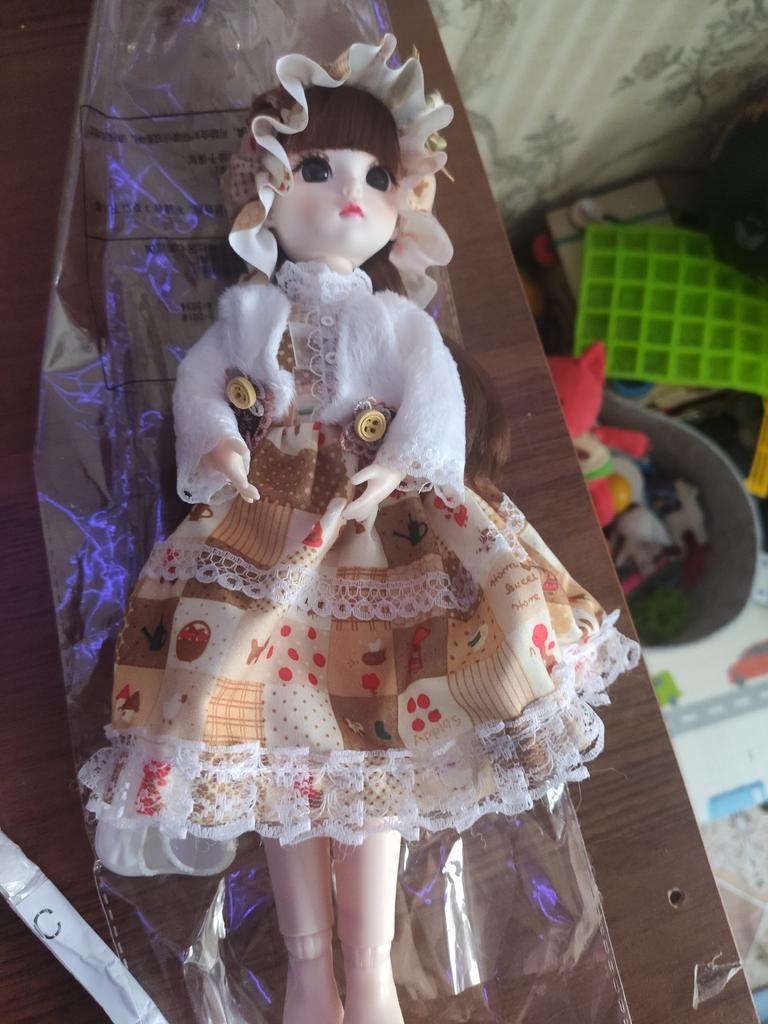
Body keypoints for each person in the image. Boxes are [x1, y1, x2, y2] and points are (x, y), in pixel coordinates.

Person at [79, 35, 639, 1024]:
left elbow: (433, 399)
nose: (349, 194)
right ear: (264, 187)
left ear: (401, 202)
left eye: (376, 176)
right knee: (281, 747)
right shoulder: (248, 312)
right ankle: (309, 970)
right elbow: (204, 387)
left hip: (384, 529)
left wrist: (406, 466)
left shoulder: (394, 320)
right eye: (317, 169)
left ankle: (369, 970)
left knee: (375, 745)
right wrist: (220, 449)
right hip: (265, 534)